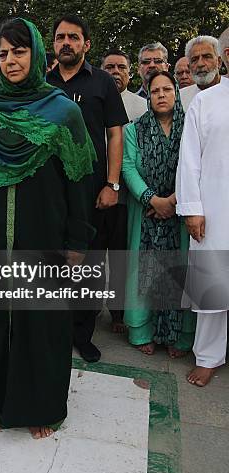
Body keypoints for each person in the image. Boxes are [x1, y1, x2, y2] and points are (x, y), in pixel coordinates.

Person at [0, 18, 96, 438]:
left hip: (44, 231)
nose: (10, 60)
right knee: (0, 320)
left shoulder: (63, 111)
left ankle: (41, 407)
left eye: (19, 51)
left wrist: (77, 237)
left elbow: (79, 178)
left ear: (35, 54)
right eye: (2, 53)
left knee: (41, 323)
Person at [47, 15, 128, 360]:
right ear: (53, 44)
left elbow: (115, 134)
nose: (67, 42)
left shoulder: (103, 83)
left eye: (74, 37)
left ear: (86, 44)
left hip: (92, 191)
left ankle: (82, 335)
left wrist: (112, 183)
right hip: (49, 190)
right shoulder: (42, 83)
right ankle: (53, 332)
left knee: (88, 264)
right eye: (61, 37)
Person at [122, 70, 195, 356]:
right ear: (148, 96)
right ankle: (142, 331)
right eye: (155, 91)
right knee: (144, 270)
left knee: (180, 270)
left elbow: (195, 165)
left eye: (167, 89)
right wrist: (152, 199)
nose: (161, 95)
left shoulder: (190, 126)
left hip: (180, 210)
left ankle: (181, 335)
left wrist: (174, 201)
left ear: (176, 93)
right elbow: (127, 166)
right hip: (145, 212)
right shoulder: (134, 129)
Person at [176, 61, 229, 387]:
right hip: (216, 209)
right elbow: (190, 158)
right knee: (213, 286)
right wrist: (192, 209)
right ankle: (208, 357)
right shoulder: (206, 100)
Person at [101, 49, 146, 332]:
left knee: (120, 255)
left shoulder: (141, 107)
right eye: (109, 67)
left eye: (121, 67)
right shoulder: (94, 98)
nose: (115, 72)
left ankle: (117, 313)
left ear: (130, 72)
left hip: (125, 195)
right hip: (94, 191)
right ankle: (88, 308)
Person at [180, 35, 221, 111]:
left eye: (207, 57)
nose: (200, 64)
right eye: (194, 59)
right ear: (189, 67)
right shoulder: (180, 98)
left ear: (219, 62)